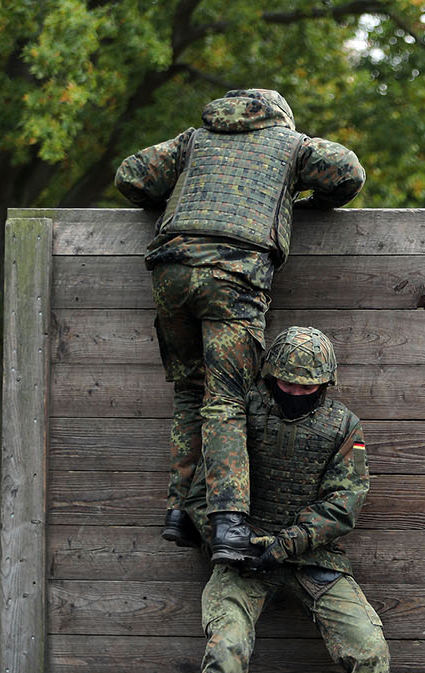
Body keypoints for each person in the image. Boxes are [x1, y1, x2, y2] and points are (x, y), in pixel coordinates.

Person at [115, 88, 366, 564]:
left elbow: (130, 176)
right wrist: (309, 199)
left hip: (169, 268)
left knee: (191, 391)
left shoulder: (193, 141)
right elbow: (348, 172)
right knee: (228, 399)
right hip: (234, 275)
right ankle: (227, 522)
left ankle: (179, 511)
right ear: (282, 119)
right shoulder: (291, 146)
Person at [179, 326, 391, 673]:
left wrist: (288, 543)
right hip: (243, 557)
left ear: (324, 384)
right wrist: (224, 538)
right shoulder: (241, 413)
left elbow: (344, 503)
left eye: (305, 387)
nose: (294, 393)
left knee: (371, 651)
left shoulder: (343, 426)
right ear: (269, 375)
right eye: (286, 384)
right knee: (225, 650)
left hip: (312, 558)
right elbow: (204, 492)